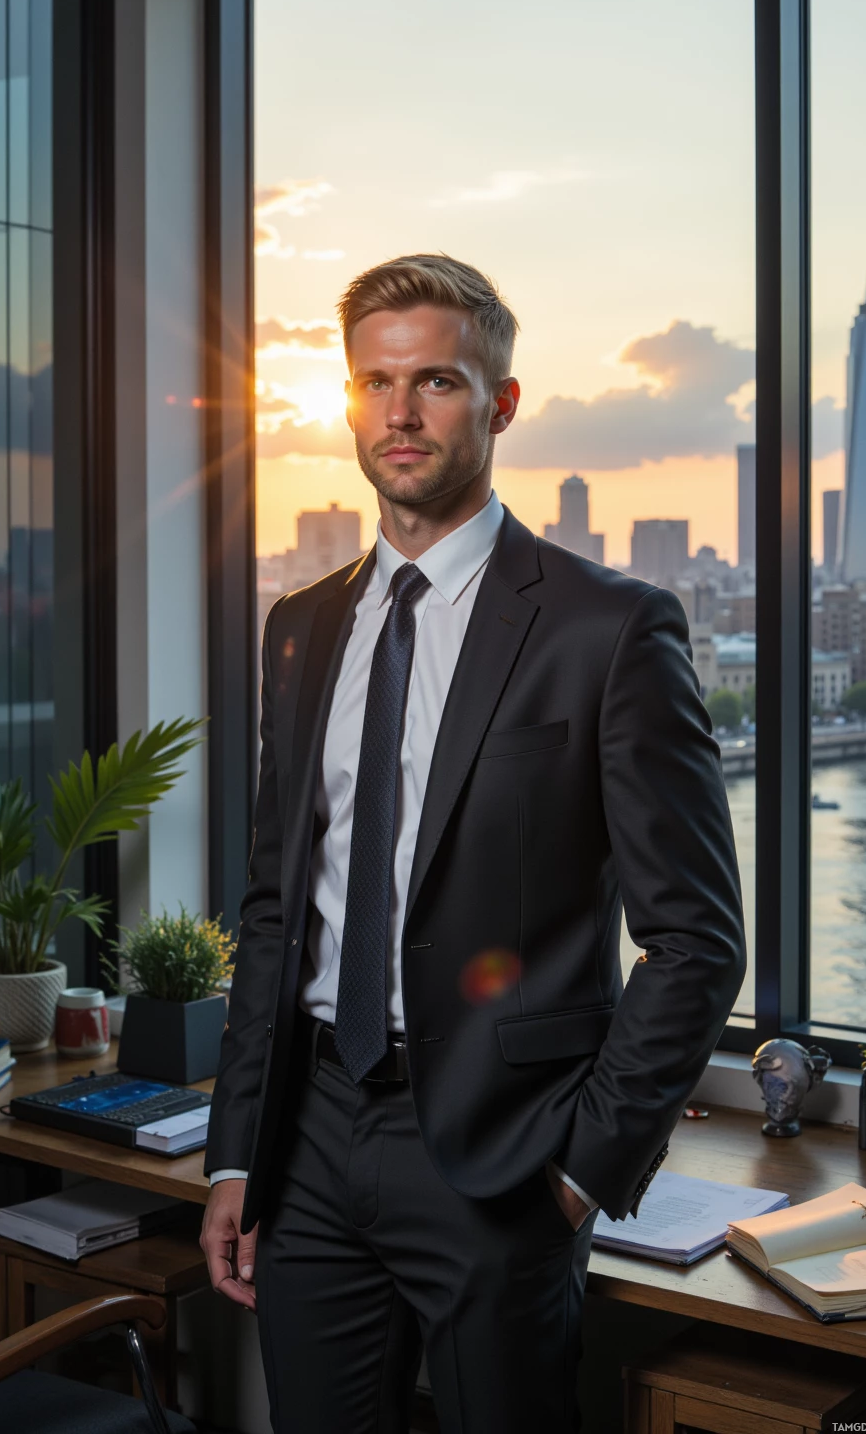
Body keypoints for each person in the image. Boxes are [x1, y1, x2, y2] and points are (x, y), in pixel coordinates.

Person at [200, 254, 745, 1433]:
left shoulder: (608, 628)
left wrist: (579, 1173)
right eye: (375, 382)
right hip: (308, 1142)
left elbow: (696, 941)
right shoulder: (301, 628)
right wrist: (236, 1153)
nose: (400, 412)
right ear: (349, 401)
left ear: (500, 403)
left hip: (502, 1163)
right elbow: (276, 911)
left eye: (436, 381)